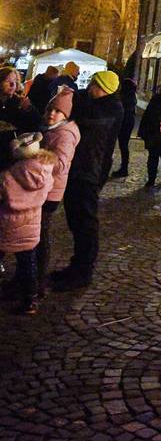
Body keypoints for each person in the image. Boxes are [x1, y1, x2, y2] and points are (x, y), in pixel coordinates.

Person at [51, 70, 123, 290]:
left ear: (101, 88)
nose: (89, 88)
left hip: (90, 170)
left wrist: (74, 98)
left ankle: (83, 271)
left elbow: (85, 116)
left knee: (85, 222)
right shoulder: (100, 104)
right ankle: (77, 265)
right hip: (81, 168)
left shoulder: (110, 108)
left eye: (93, 84)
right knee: (76, 218)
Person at [0, 133, 55, 315]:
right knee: (28, 263)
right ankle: (31, 300)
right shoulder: (45, 172)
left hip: (7, 224)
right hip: (31, 226)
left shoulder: (8, 176)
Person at [35, 86, 80, 296]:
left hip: (51, 192)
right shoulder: (52, 129)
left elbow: (61, 164)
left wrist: (36, 154)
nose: (52, 114)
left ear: (66, 115)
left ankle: (38, 281)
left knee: (40, 236)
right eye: (50, 109)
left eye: (58, 111)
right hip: (42, 188)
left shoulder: (65, 134)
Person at [0, 67, 42, 155]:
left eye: (15, 81)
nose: (12, 84)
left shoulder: (21, 103)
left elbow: (36, 125)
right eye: (7, 80)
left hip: (11, 152)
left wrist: (30, 110)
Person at [111, 77, 138, 178]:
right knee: (123, 146)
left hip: (124, 124)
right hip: (127, 123)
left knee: (123, 146)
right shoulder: (131, 96)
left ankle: (124, 168)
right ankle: (124, 167)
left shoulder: (126, 97)